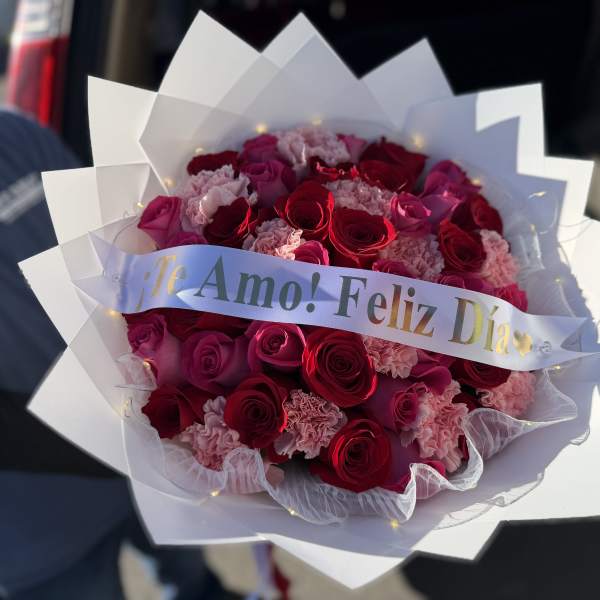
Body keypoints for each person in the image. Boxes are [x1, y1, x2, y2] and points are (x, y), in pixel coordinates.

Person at [0, 109, 231, 599]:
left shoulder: (14, 134)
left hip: (153, 451)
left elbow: (119, 243)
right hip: (39, 527)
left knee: (191, 575)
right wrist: (130, 443)